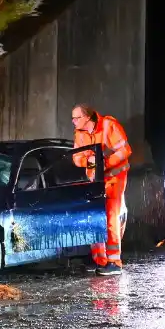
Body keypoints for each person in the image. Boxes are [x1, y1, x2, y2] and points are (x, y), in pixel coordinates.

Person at [71, 103, 132, 276]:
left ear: (88, 117)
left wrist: (105, 164)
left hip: (115, 176)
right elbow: (76, 158)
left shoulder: (108, 125)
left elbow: (125, 150)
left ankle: (114, 261)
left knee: (111, 215)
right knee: (97, 216)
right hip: (96, 179)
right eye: (72, 118)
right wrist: (88, 162)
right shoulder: (79, 134)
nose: (73, 121)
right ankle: (100, 260)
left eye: (77, 118)